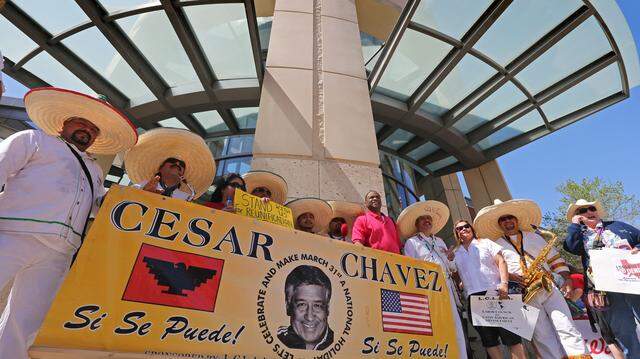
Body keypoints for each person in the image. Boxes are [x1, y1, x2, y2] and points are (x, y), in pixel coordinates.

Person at [0, 87, 137, 358]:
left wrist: (138, 194)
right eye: (80, 122)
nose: (87, 129)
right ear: (64, 124)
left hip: (60, 251)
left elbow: (102, 206)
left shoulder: (95, 170)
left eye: (93, 128)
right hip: (14, 231)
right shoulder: (33, 139)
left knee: (27, 320)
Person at [474, 199, 588, 359]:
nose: (507, 221)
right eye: (503, 219)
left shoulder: (534, 237)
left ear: (516, 220)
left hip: (547, 285)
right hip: (522, 293)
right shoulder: (495, 244)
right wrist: (511, 276)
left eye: (510, 218)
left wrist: (567, 278)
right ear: (500, 224)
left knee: (565, 324)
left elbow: (554, 259)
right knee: (541, 335)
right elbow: (493, 269)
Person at [564, 199, 640, 357]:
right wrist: (575, 226)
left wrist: (637, 249)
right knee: (625, 333)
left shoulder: (617, 226)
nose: (588, 212)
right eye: (582, 211)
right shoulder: (579, 234)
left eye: (591, 208)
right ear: (578, 217)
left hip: (634, 282)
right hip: (607, 289)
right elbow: (571, 247)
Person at [398, 201, 468, 359]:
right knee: (437, 326)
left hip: (448, 287)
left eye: (428, 218)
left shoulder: (440, 241)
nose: (426, 221)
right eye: (422, 219)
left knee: (455, 326)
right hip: (429, 290)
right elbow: (410, 269)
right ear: (417, 224)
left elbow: (451, 267)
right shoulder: (412, 242)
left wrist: (450, 258)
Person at [451, 219, 526, 359]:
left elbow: (501, 261)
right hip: (474, 298)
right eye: (459, 229)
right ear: (456, 233)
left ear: (472, 228)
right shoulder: (455, 253)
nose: (463, 229)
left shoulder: (485, 242)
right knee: (489, 341)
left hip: (496, 292)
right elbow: (456, 276)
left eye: (466, 226)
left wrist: (504, 283)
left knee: (512, 337)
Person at [125, 128, 215, 201]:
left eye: (182, 165)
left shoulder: (186, 197)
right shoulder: (141, 186)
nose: (177, 163)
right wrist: (144, 193)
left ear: (182, 175)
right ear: (160, 168)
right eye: (172, 161)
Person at [277, 265, 334, 350]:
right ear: (288, 306)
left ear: (327, 309)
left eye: (317, 305)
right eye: (302, 305)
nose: (310, 317)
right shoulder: (278, 339)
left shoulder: (338, 342)